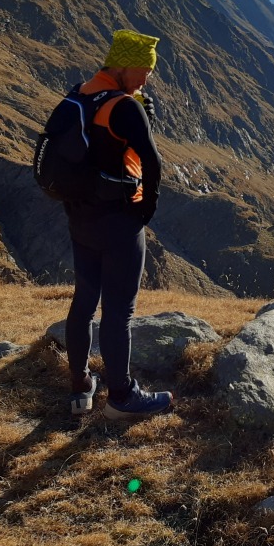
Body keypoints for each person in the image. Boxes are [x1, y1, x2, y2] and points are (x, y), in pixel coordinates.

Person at [65, 29, 172, 419]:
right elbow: (152, 162)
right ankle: (122, 397)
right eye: (143, 71)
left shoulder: (82, 93)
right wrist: (146, 210)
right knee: (119, 311)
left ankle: (80, 388)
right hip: (118, 222)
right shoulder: (125, 106)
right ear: (123, 65)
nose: (146, 79)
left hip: (81, 218)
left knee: (84, 301)